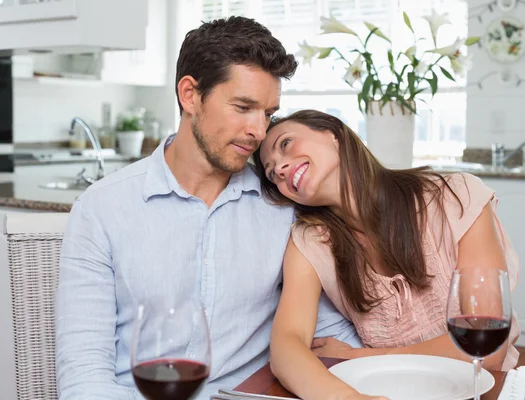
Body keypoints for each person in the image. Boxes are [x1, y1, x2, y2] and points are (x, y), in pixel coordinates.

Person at [55, 18, 361, 400]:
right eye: (243, 107)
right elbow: (84, 379)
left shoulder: (283, 207)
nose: (259, 131)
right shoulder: (102, 209)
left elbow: (328, 337)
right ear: (190, 95)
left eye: (267, 113)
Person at [254, 110, 521, 400]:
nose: (279, 168)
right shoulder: (309, 242)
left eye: (285, 144)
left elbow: (487, 349)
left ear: (333, 134)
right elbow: (286, 347)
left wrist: (360, 357)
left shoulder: (455, 196)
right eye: (271, 173)